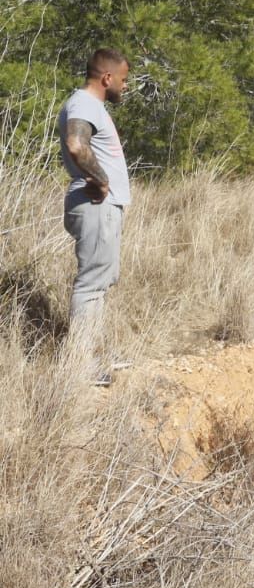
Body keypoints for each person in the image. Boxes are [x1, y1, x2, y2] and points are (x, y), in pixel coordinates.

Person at [57, 47, 131, 385]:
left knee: (101, 281)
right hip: (95, 205)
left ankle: (92, 356)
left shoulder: (90, 106)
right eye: (124, 79)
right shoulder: (85, 103)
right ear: (107, 78)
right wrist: (101, 181)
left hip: (102, 207)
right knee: (90, 285)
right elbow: (76, 144)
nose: (125, 86)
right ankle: (78, 367)